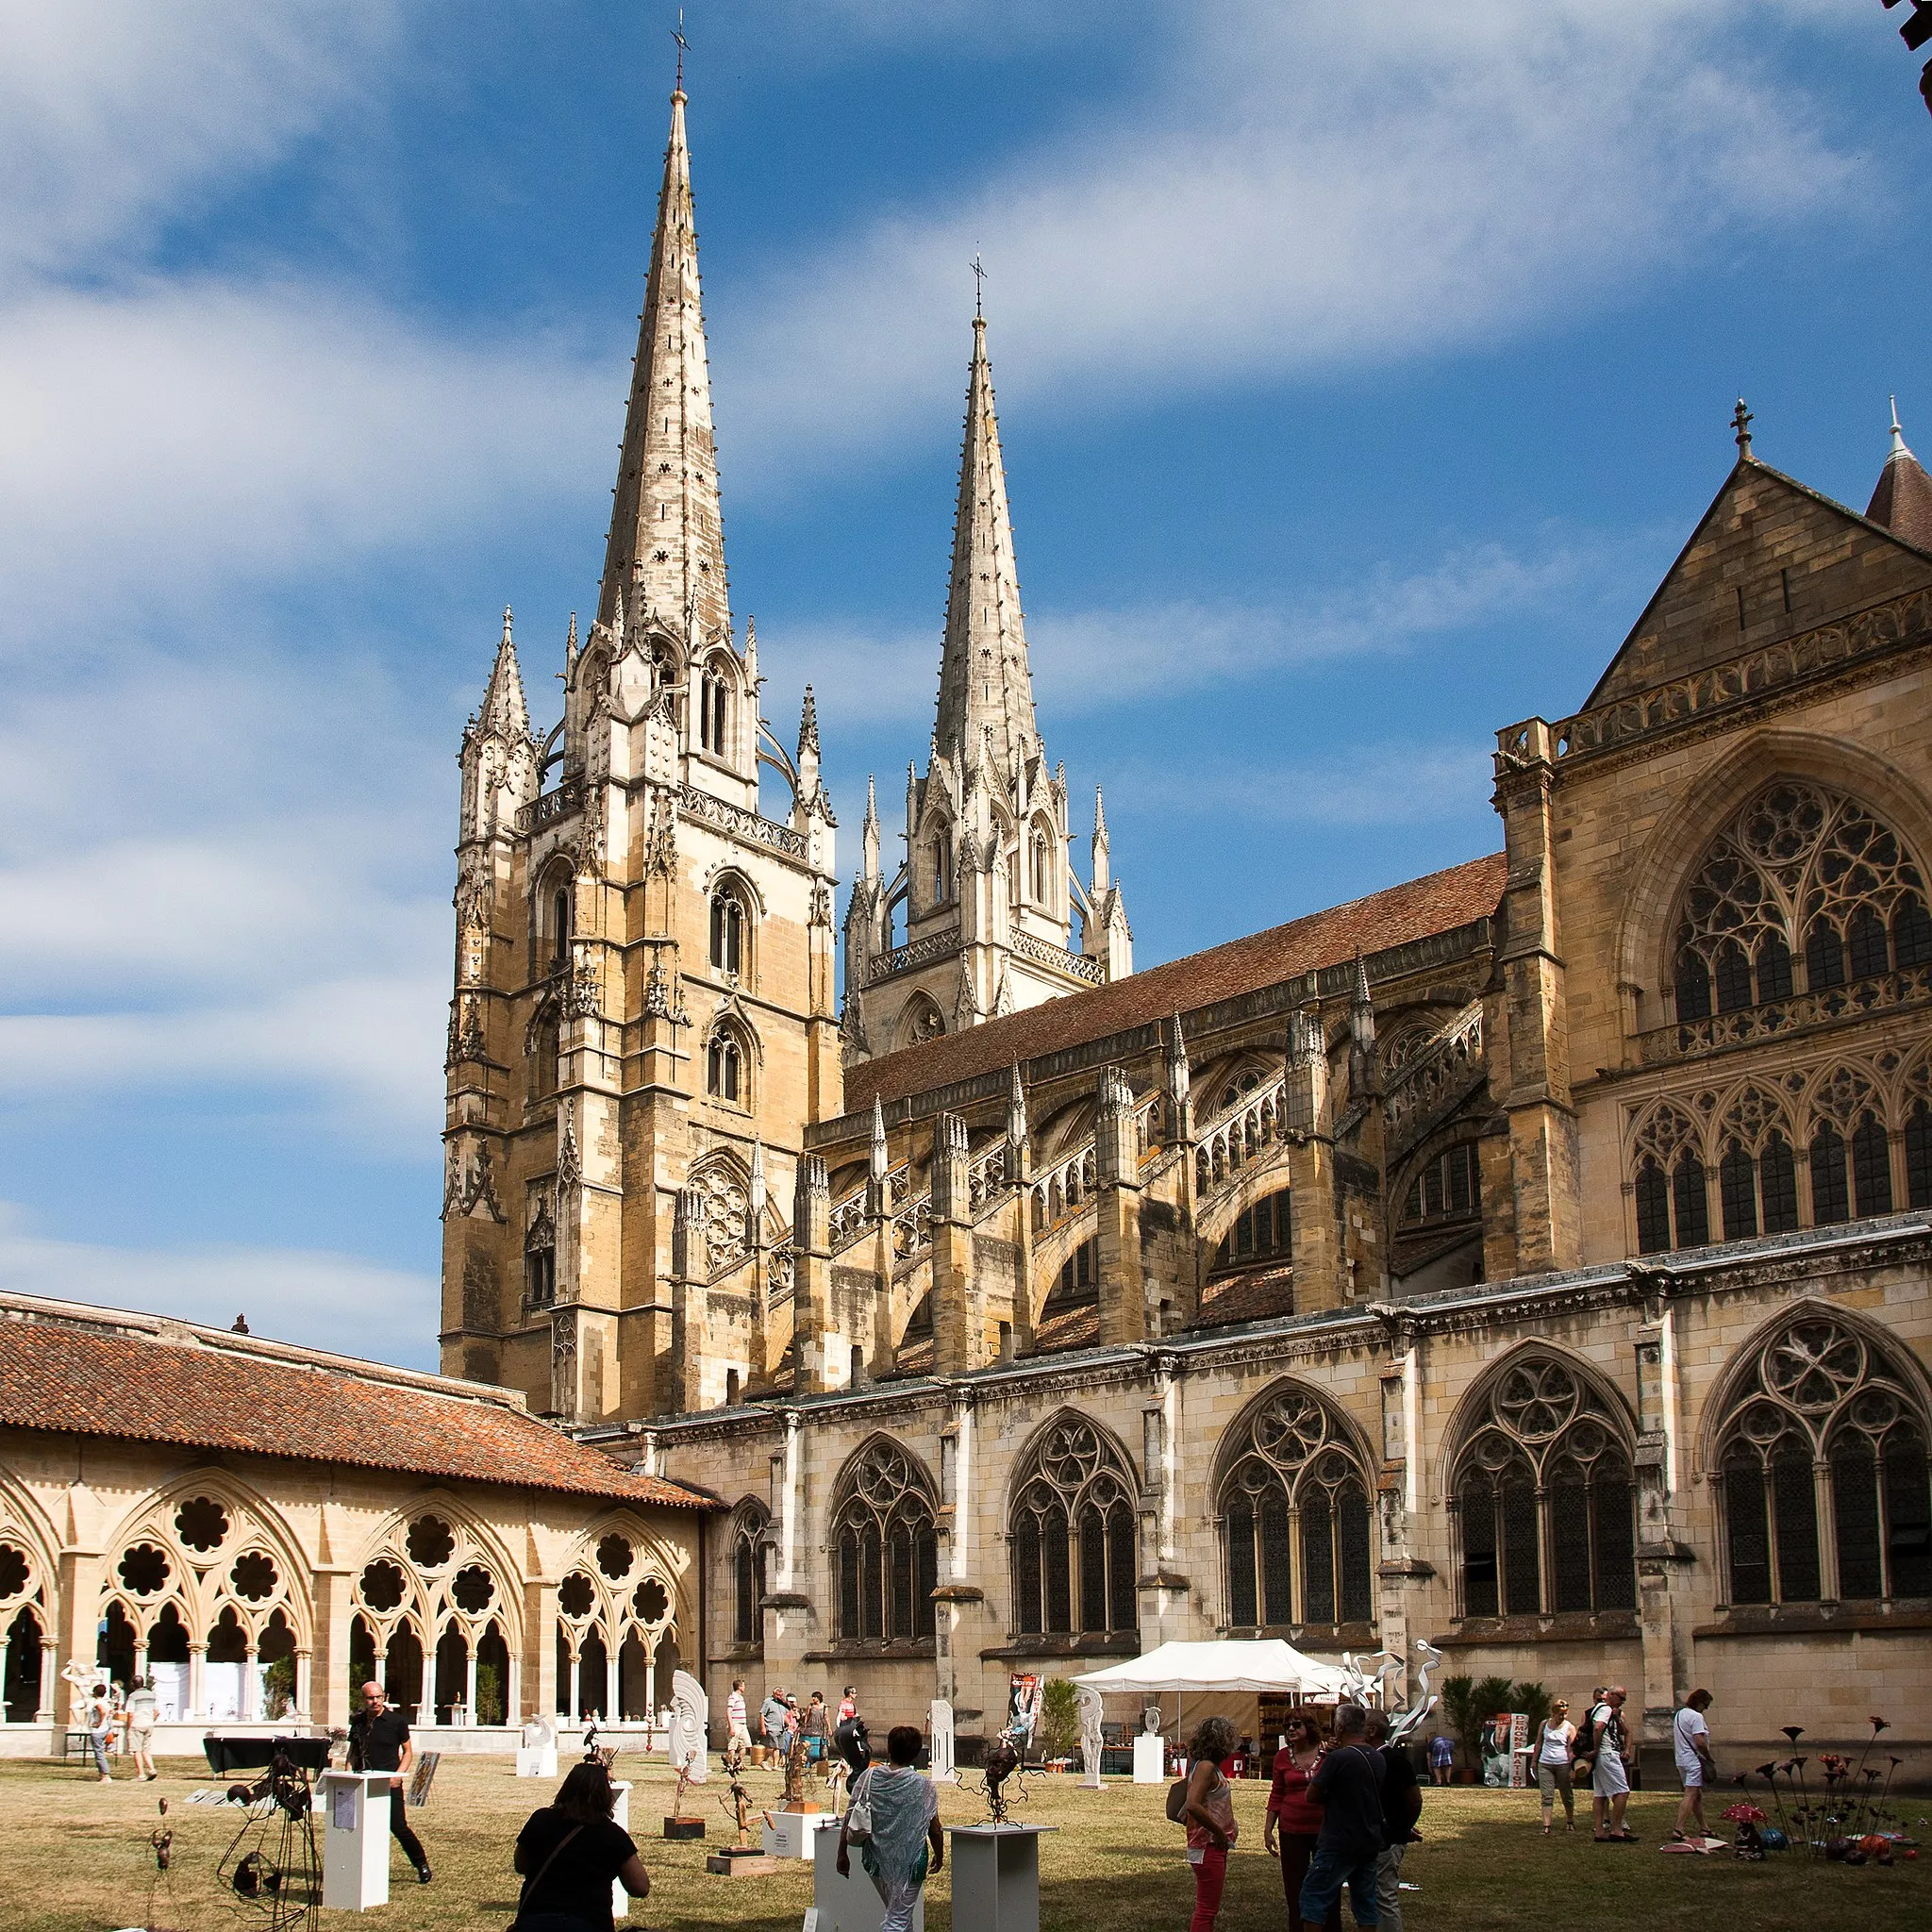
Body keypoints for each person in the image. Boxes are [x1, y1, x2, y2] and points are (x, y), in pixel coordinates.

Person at [512, 1758, 651, 1932]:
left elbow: (520, 1865)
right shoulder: (612, 1835)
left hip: (537, 1921)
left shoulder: (541, 1819)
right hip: (590, 1922)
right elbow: (640, 1887)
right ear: (605, 1795)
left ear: (566, 1788)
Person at [837, 1723, 941, 1932]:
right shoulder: (924, 1785)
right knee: (898, 1918)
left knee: (900, 1914)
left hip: (876, 1859)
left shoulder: (868, 1777)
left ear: (890, 1748)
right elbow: (935, 1828)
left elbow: (849, 1816)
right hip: (911, 1860)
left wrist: (842, 1853)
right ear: (914, 1753)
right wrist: (939, 1855)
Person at [1301, 1704, 1385, 1931]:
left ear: (1339, 1727)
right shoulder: (1377, 1758)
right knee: (1365, 1901)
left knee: (1314, 1897)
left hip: (1338, 1839)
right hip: (1368, 1839)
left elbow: (1312, 1795)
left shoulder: (1338, 1759)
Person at [347, 1681, 432, 1884]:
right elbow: (353, 1752)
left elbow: (408, 1752)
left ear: (384, 1697)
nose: (375, 1701)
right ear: (364, 1699)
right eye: (370, 1698)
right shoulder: (357, 1721)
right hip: (361, 1779)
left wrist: (397, 1776)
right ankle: (359, 1869)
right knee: (357, 1826)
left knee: (398, 1825)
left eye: (378, 1697)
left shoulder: (397, 1721)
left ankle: (421, 1864)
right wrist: (348, 1774)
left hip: (388, 1782)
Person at [1264, 1712, 1339, 1932]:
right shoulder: (1281, 1757)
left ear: (1310, 1727)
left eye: (1296, 1725)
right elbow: (1276, 1793)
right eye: (1286, 1726)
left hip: (1325, 1830)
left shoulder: (1328, 1753)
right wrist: (1268, 1830)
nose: (1290, 1729)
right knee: (1295, 1886)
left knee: (1328, 1883)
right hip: (1291, 1830)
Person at [1181, 1714, 1241, 1932]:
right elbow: (1193, 1805)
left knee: (1207, 1908)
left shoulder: (1204, 1766)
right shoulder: (1205, 1768)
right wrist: (1219, 1832)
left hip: (1212, 1845)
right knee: (1206, 1910)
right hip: (1208, 1845)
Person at [1366, 1710, 1421, 1932]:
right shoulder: (1368, 1759)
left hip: (1387, 1840)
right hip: (1373, 1837)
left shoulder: (1394, 1761)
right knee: (1373, 1894)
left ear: (1371, 1731)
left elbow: (1414, 1800)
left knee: (1384, 1896)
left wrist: (1400, 1829)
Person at [1579, 1685, 1634, 1843]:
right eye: (1620, 1698)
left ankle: (1600, 1831)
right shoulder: (1605, 1709)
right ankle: (1617, 1830)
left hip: (1600, 1757)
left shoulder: (1599, 1709)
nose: (1622, 1702)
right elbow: (1598, 1728)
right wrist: (1596, 1749)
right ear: (1611, 1695)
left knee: (1600, 1794)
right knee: (1622, 1792)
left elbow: (1624, 1731)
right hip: (1607, 1754)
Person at [1672, 1690, 1717, 1840]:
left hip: (1681, 1759)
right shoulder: (1696, 1717)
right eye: (1705, 1705)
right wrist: (1709, 1757)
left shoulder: (1680, 1714)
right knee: (1690, 1793)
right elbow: (1699, 1742)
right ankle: (1679, 1829)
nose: (1706, 1708)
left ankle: (1704, 1827)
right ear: (1699, 1702)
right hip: (1693, 1761)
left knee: (1696, 1795)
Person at [1534, 1698, 1576, 1834]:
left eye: (1565, 1714)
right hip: (1545, 1763)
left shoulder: (1569, 1727)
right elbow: (1539, 1743)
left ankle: (1570, 1821)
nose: (1562, 1717)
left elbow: (1571, 1750)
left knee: (1566, 1793)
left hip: (1562, 1764)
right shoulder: (1544, 1724)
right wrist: (1534, 1761)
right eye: (1560, 1714)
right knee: (1547, 1795)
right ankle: (1546, 1825)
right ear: (1553, 1713)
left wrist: (1572, 1768)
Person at [125, 1675, 159, 1783]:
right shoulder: (152, 1695)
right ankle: (152, 1769)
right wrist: (151, 1720)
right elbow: (157, 1711)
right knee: (146, 1749)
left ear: (133, 1684)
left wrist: (129, 1727)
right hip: (149, 1724)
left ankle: (141, 1774)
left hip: (137, 1724)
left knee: (137, 1750)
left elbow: (130, 1714)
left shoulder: (133, 1696)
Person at [83, 1676, 114, 1783]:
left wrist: (99, 1722)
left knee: (99, 1753)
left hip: (98, 1730)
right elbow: (110, 1713)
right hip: (105, 1729)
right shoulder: (106, 1702)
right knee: (100, 1751)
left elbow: (103, 1712)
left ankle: (105, 1775)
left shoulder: (97, 1703)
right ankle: (102, 1774)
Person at [803, 1690, 831, 1765]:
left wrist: (829, 1728)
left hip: (821, 1727)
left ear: (818, 1698)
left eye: (814, 1697)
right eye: (812, 1697)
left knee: (823, 1744)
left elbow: (827, 1717)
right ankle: (810, 1759)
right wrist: (805, 1724)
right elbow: (807, 1715)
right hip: (812, 1726)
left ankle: (823, 1760)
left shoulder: (825, 1707)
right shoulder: (810, 1706)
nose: (813, 1699)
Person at [725, 1678, 752, 1754]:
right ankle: (730, 1763)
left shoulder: (741, 1698)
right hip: (735, 1723)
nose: (744, 1687)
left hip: (742, 1724)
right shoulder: (732, 1697)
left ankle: (739, 1763)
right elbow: (728, 1712)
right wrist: (731, 1727)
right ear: (739, 1687)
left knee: (745, 1745)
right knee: (732, 1745)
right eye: (743, 1686)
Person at [760, 1686, 788, 1755]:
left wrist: (789, 1724)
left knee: (778, 1748)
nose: (779, 1697)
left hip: (781, 1729)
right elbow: (762, 1714)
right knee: (773, 1747)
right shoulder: (768, 1702)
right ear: (773, 1693)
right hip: (771, 1727)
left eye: (781, 1695)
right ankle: (764, 1759)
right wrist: (763, 1727)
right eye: (778, 1695)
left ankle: (775, 1765)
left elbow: (784, 1715)